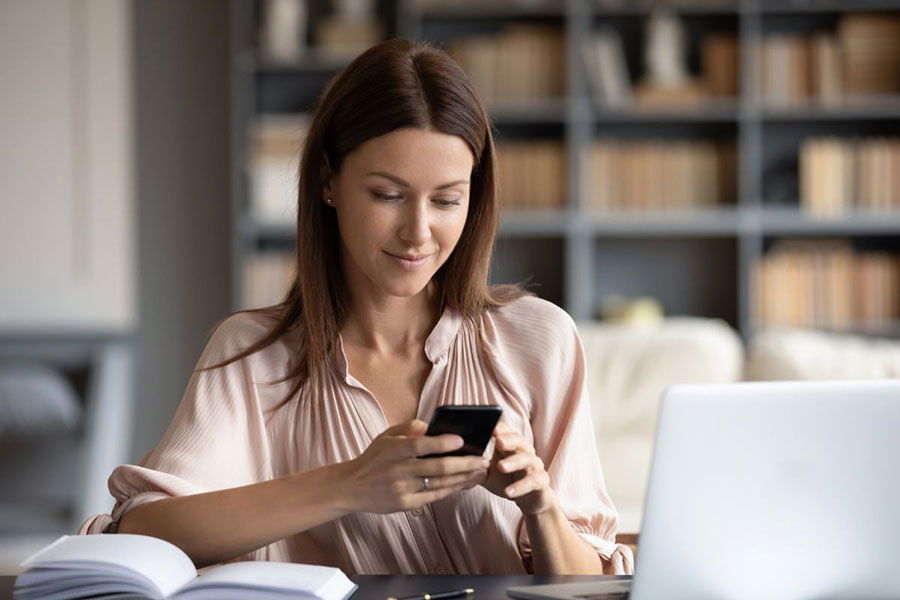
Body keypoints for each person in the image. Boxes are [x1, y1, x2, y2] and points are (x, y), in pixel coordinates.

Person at [79, 39, 633, 576]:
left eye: (446, 199)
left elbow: (590, 583)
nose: (419, 232)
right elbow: (143, 533)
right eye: (387, 195)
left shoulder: (540, 338)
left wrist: (540, 504)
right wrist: (348, 484)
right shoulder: (254, 355)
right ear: (328, 182)